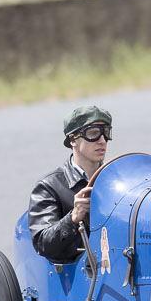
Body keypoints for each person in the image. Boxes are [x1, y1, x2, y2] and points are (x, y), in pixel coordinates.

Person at [28, 105, 112, 263]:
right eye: (93, 133)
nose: (102, 141)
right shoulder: (49, 186)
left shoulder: (116, 179)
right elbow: (42, 243)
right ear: (73, 139)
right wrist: (73, 218)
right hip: (79, 272)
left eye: (106, 132)